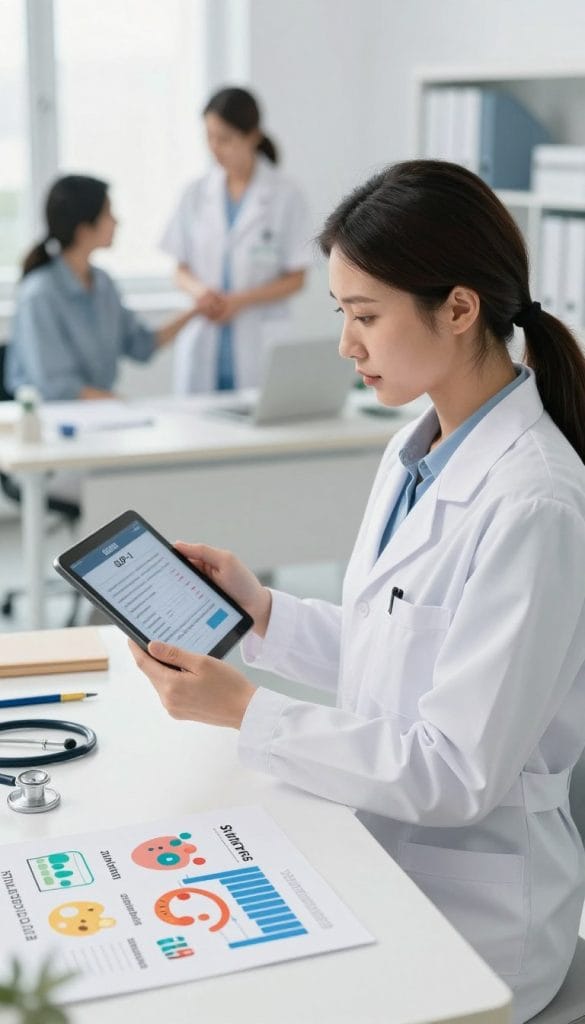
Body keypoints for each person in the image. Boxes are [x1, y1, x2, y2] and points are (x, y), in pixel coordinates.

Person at [131, 160, 585, 1023]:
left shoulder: (534, 503)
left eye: (365, 315)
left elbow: (454, 772)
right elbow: (397, 649)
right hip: (381, 853)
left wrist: (247, 711)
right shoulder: (417, 448)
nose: (347, 344)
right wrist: (262, 613)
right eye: (341, 314)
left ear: (459, 309)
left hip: (478, 917)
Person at [160, 86, 310, 394]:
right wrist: (202, 293)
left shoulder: (286, 195)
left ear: (253, 136)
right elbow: (179, 269)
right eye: (209, 138)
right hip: (204, 334)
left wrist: (238, 301)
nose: (215, 148)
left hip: (258, 338)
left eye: (225, 139)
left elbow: (296, 279)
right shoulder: (195, 193)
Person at [5, 175, 198, 402]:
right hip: (49, 416)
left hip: (98, 413)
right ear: (84, 229)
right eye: (108, 213)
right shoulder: (39, 294)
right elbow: (56, 386)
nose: (116, 222)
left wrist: (196, 310)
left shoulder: (102, 283)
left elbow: (141, 344)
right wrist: (120, 404)